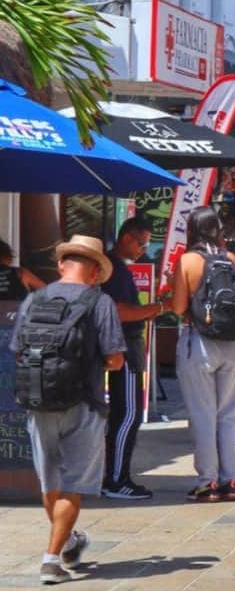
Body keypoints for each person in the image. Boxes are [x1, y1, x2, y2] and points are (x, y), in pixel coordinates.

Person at [11, 236, 125, 585]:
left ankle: (69, 542)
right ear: (94, 272)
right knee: (72, 486)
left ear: (62, 265)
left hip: (38, 401)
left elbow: (17, 349)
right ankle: (50, 560)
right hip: (84, 404)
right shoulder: (99, 302)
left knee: (51, 484)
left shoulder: (34, 299)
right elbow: (115, 359)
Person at [168, 207, 235, 503]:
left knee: (203, 414)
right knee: (228, 414)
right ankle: (230, 479)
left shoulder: (187, 261)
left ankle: (207, 482)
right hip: (233, 344)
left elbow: (177, 308)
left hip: (198, 341)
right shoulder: (231, 259)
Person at [101, 217, 158, 500]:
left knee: (126, 415)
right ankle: (115, 480)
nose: (143, 249)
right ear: (126, 238)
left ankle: (115, 476)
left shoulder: (118, 268)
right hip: (123, 347)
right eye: (141, 242)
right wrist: (157, 307)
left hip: (125, 347)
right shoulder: (116, 271)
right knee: (127, 416)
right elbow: (120, 311)